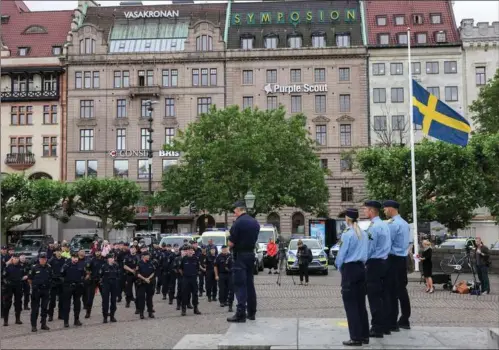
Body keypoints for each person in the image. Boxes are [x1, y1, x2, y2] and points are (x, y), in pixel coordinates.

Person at [335, 208, 369, 346]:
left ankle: (355, 337)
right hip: (362, 268)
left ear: (347, 219)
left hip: (350, 269)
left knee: (351, 305)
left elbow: (342, 254)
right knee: (361, 304)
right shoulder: (364, 233)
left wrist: (339, 266)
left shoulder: (348, 234)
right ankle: (364, 335)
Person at [227, 200, 260, 323]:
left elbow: (231, 243)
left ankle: (240, 313)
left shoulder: (238, 223)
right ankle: (252, 312)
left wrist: (229, 244)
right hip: (251, 254)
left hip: (240, 256)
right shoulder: (255, 222)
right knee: (250, 283)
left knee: (240, 285)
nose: (234, 212)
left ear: (239, 209)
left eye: (234, 210)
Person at [363, 200, 392, 338]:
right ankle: (385, 326)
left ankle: (377, 328)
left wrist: (363, 260)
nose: (364, 212)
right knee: (383, 296)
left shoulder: (374, 227)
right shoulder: (384, 225)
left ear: (371, 211)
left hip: (374, 263)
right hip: (384, 262)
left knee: (374, 297)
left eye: (365, 209)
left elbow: (370, 247)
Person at [383, 200, 411, 331]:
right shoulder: (405, 223)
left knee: (391, 291)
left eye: (385, 209)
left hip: (393, 259)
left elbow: (387, 243)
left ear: (390, 209)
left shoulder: (393, 225)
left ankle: (392, 321)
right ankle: (405, 318)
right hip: (402, 258)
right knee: (401, 290)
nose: (384, 211)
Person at [28, 252, 52, 332]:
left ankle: (43, 324)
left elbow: (50, 277)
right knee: (35, 309)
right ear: (39, 259)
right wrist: (34, 286)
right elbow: (29, 279)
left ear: (46, 259)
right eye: (42, 259)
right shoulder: (34, 268)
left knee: (44, 308)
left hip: (45, 290)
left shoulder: (49, 267)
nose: (43, 260)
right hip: (36, 291)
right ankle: (34, 325)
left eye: (44, 259)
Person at [61, 253, 86, 328]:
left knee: (77, 304)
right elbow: (61, 275)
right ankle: (66, 321)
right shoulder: (66, 265)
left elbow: (83, 275)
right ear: (71, 257)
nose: (75, 259)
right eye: (74, 257)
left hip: (77, 287)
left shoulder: (80, 265)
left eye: (76, 257)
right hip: (68, 286)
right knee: (66, 305)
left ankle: (76, 320)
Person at [2, 253, 27, 326]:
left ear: (19, 259)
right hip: (9, 287)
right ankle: (5, 320)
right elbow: (3, 276)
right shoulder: (8, 266)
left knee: (18, 303)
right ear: (12, 259)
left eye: (17, 258)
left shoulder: (21, 267)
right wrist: (5, 283)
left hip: (18, 286)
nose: (16, 259)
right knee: (7, 303)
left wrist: (25, 277)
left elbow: (25, 275)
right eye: (14, 258)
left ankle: (17, 319)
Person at [179, 245, 201, 316]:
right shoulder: (184, 259)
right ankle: (183, 310)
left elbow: (198, 268)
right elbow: (180, 269)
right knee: (184, 294)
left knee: (195, 294)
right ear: (187, 251)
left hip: (194, 279)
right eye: (189, 250)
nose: (190, 251)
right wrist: (184, 275)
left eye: (192, 250)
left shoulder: (196, 259)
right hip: (186, 279)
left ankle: (196, 308)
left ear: (193, 251)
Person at [84, 247, 105, 318]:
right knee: (90, 298)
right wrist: (88, 274)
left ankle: (105, 311)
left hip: (102, 280)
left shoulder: (104, 260)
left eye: (98, 251)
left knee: (104, 297)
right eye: (96, 252)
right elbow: (87, 268)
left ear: (100, 252)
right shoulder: (92, 259)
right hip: (93, 280)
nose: (97, 253)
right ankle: (88, 312)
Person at [100, 253, 120, 323]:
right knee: (105, 301)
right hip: (106, 284)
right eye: (111, 258)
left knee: (113, 301)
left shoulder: (116, 266)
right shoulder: (104, 266)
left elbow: (118, 275)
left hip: (114, 285)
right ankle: (105, 317)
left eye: (113, 258)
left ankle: (112, 316)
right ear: (108, 259)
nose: (112, 259)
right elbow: (100, 275)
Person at [136, 251, 155, 319]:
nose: (149, 256)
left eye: (149, 255)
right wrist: (144, 279)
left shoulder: (151, 263)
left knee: (149, 298)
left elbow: (153, 272)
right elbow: (137, 274)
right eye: (147, 255)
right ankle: (141, 313)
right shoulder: (139, 264)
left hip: (149, 283)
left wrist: (148, 278)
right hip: (141, 283)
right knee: (141, 299)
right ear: (143, 256)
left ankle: (150, 312)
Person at [48, 248, 65, 321]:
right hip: (54, 282)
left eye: (60, 251)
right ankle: (50, 315)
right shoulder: (52, 260)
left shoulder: (64, 259)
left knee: (61, 300)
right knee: (52, 300)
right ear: (55, 252)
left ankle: (60, 315)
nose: (59, 253)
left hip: (61, 282)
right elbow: (48, 269)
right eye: (57, 251)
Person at [123, 246, 139, 310]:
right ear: (130, 250)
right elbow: (124, 266)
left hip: (136, 275)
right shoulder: (126, 257)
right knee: (128, 290)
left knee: (137, 290)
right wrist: (132, 270)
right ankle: (128, 302)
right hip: (129, 275)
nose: (132, 250)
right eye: (131, 249)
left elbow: (140, 264)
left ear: (136, 250)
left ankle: (137, 304)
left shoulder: (138, 256)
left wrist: (137, 269)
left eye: (134, 249)